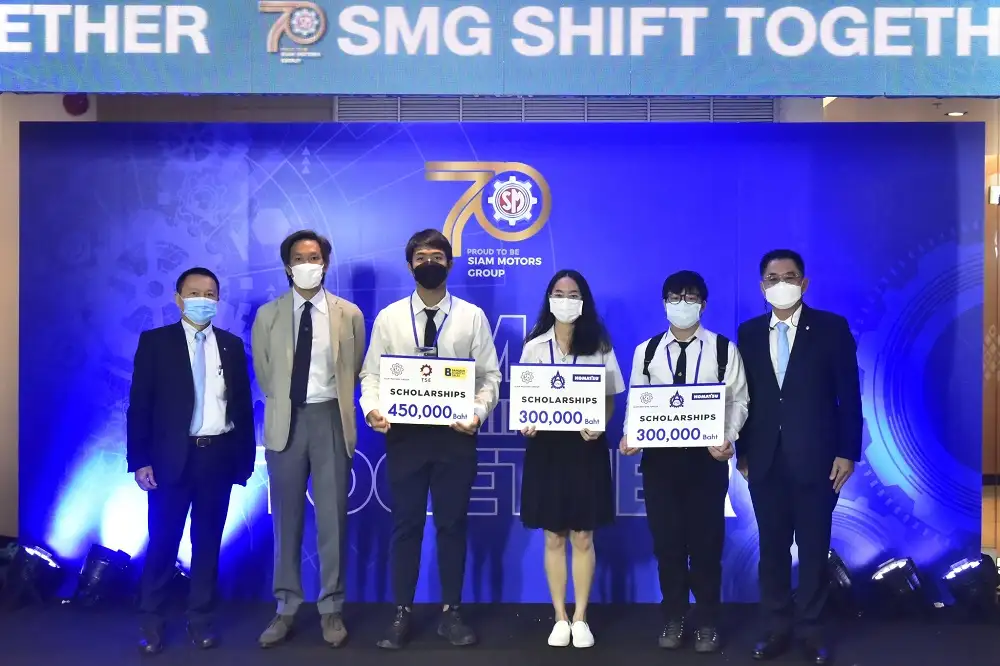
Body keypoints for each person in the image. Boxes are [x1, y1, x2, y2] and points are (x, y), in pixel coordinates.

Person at [360, 229, 501, 650]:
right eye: (421, 257)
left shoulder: (472, 317)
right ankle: (401, 612)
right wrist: (372, 408)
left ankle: (451, 612)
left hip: (456, 437)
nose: (429, 263)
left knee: (451, 525)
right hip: (405, 437)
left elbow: (490, 376)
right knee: (405, 525)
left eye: (437, 257)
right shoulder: (389, 318)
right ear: (410, 266)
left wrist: (477, 413)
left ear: (449, 264)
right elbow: (371, 375)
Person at [736, 249, 861, 665]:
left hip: (819, 460)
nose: (781, 284)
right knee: (771, 550)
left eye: (789, 277)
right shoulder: (749, 333)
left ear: (804, 283)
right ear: (762, 287)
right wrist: (743, 451)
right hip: (764, 460)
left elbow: (849, 395)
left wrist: (848, 452)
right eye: (773, 278)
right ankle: (776, 626)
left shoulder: (831, 328)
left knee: (813, 549)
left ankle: (811, 630)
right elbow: (744, 398)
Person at [127, 267, 255, 654]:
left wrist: (244, 460)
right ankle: (151, 621)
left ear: (218, 300)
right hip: (169, 460)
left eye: (210, 294)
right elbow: (139, 405)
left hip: (217, 458)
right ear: (178, 298)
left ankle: (200, 619)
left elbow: (242, 408)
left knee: (208, 543)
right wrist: (140, 459)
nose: (203, 300)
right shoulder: (156, 342)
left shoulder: (231, 346)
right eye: (195, 293)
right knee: (163, 542)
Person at [619, 270, 748, 654]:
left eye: (690, 297)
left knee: (707, 545)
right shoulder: (646, 351)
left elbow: (739, 400)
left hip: (706, 461)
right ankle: (673, 616)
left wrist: (728, 436)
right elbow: (637, 401)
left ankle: (707, 620)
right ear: (664, 304)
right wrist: (631, 434)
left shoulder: (724, 350)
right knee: (668, 544)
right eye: (674, 297)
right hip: (660, 463)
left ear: (702, 304)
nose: (682, 304)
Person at [251, 230, 366, 649]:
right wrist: (288, 403)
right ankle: (285, 607)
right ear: (288, 266)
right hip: (286, 420)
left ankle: (331, 607)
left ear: (325, 263)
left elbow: (353, 368)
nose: (307, 264)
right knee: (286, 520)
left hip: (330, 417)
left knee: (333, 517)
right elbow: (266, 374)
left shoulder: (348, 313)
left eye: (314, 257)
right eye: (299, 257)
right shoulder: (268, 315)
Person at [518, 269, 625, 648]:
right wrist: (527, 422)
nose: (566, 300)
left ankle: (581, 617)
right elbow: (525, 400)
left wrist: (600, 424)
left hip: (585, 448)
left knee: (583, 535)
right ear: (549, 299)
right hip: (546, 450)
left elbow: (609, 398)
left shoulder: (599, 344)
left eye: (573, 293)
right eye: (559, 293)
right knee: (553, 535)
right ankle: (559, 617)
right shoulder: (534, 346)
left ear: (584, 300)